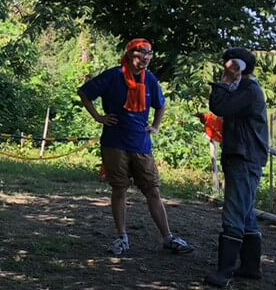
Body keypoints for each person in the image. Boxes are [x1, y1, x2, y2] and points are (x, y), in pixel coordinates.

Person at [78, 39, 194, 257]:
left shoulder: (149, 79)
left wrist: (156, 127)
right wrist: (98, 117)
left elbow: (161, 104)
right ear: (131, 54)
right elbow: (85, 93)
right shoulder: (113, 76)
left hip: (141, 143)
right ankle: (122, 237)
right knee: (119, 189)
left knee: (152, 189)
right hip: (114, 143)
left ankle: (168, 238)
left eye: (150, 54)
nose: (147, 58)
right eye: (142, 54)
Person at [205, 47, 270, 287]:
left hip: (244, 157)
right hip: (243, 155)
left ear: (236, 66)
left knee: (233, 212)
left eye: (229, 64)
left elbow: (219, 107)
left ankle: (224, 272)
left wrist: (225, 81)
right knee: (246, 212)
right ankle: (251, 267)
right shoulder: (247, 89)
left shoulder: (248, 90)